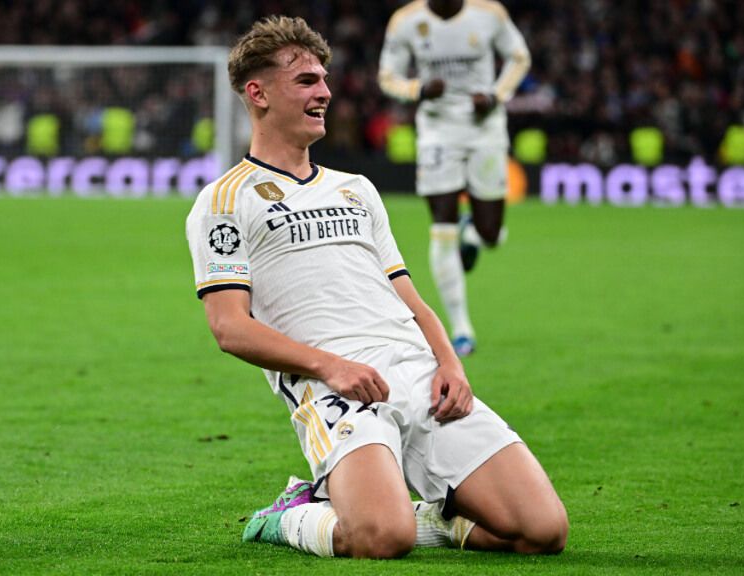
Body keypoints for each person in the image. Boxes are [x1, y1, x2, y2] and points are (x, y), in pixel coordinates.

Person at [186, 15, 565, 559]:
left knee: (542, 530)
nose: (325, 92)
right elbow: (229, 328)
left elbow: (409, 297)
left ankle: (435, 520)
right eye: (306, 81)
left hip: (417, 371)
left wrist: (450, 365)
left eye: (324, 79)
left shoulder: (356, 189)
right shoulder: (224, 201)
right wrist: (330, 367)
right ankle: (292, 514)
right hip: (334, 385)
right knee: (382, 539)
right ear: (257, 92)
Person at [378, 0, 532, 356]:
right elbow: (388, 77)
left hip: (485, 129)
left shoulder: (488, 13)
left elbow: (519, 57)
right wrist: (417, 89)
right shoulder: (405, 21)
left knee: (492, 234)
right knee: (441, 228)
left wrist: (495, 95)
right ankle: (461, 329)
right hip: (437, 131)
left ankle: (475, 232)